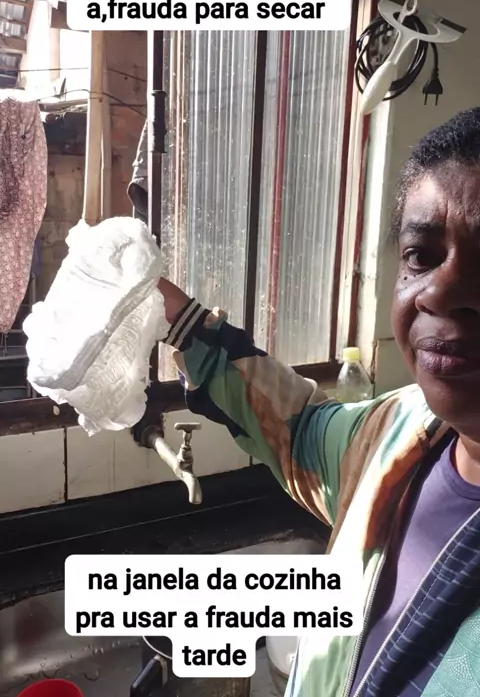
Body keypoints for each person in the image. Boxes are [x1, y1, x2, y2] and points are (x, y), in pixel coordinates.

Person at [158, 107, 480, 697]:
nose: (440, 290)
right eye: (421, 255)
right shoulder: (400, 430)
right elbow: (301, 431)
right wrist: (177, 317)